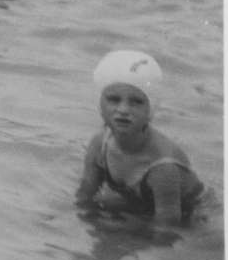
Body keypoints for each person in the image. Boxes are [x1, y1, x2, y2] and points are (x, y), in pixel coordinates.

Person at [75, 50, 204, 226]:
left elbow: (167, 230)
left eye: (136, 102)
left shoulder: (163, 167)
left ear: (150, 110)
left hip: (193, 214)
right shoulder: (100, 144)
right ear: (100, 103)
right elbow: (84, 197)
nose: (123, 109)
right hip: (140, 205)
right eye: (113, 99)